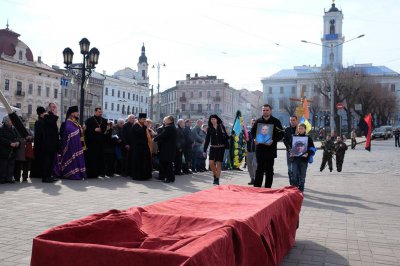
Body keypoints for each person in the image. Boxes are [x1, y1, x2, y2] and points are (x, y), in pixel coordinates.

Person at [251, 104, 284, 188]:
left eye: (267, 110)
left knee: (269, 170)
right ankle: (257, 187)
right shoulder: (258, 121)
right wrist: (255, 139)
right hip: (260, 149)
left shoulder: (276, 121)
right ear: (262, 111)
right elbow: (252, 132)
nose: (265, 112)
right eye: (263, 110)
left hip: (270, 149)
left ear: (270, 111)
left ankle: (268, 188)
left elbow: (281, 134)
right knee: (259, 169)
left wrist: (273, 140)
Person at [56, 106, 86, 180]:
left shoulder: (75, 122)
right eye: (76, 112)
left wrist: (82, 129)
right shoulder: (69, 122)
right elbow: (70, 130)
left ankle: (78, 173)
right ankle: (71, 174)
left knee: (77, 158)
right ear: (72, 114)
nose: (78, 113)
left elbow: (77, 130)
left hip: (76, 145)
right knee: (71, 158)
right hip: (70, 145)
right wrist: (78, 130)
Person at [203, 114, 229, 185]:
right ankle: (215, 176)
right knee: (211, 163)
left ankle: (216, 179)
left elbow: (226, 136)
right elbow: (207, 139)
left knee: (218, 163)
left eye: (214, 119)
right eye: (211, 119)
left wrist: (227, 134)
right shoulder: (209, 128)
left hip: (221, 147)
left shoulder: (221, 126)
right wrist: (204, 150)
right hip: (212, 147)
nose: (212, 120)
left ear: (217, 119)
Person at [289, 123, 315, 192]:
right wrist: (290, 152)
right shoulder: (294, 137)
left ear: (305, 129)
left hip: (304, 159)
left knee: (302, 176)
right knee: (294, 174)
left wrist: (308, 153)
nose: (300, 130)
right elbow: (290, 147)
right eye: (299, 128)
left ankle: (301, 190)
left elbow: (312, 149)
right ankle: (295, 189)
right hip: (295, 159)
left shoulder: (308, 138)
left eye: (301, 128)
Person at [84, 107, 107, 178]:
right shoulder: (89, 120)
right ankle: (92, 173)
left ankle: (101, 172)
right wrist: (94, 129)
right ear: (95, 112)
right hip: (92, 143)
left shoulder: (104, 120)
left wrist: (101, 130)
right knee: (92, 158)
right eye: (99, 112)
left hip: (101, 142)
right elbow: (86, 131)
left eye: (101, 112)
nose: (100, 113)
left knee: (101, 158)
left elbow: (105, 130)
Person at [128, 113, 152, 180]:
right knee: (139, 162)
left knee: (145, 161)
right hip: (138, 148)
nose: (144, 120)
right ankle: (138, 176)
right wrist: (144, 126)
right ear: (139, 119)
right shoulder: (136, 126)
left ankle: (145, 176)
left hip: (144, 147)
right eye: (143, 119)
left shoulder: (143, 126)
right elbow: (139, 133)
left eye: (145, 119)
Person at [154, 116, 177, 183]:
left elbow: (162, 135)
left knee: (167, 164)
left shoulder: (169, 127)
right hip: (168, 149)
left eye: (165, 119)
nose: (164, 120)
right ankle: (166, 177)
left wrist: (155, 139)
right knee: (165, 163)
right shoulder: (172, 127)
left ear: (170, 120)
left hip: (167, 149)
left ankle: (169, 178)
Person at [41, 103, 59, 183]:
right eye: (52, 107)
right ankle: (45, 177)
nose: (54, 108)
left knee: (51, 161)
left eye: (55, 107)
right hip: (48, 144)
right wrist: (55, 115)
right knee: (47, 161)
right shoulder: (46, 116)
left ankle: (49, 176)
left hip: (53, 143)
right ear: (49, 108)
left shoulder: (52, 116)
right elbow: (51, 122)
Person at [0, 116, 20, 184]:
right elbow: (1, 138)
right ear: (6, 121)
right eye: (10, 120)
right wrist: (10, 143)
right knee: (3, 165)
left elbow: (17, 137)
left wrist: (18, 142)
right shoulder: (2, 129)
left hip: (13, 150)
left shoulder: (13, 128)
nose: (11, 122)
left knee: (11, 164)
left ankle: (9, 178)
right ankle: (2, 178)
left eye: (11, 120)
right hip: (4, 150)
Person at [30, 106, 46, 178]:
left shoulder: (40, 121)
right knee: (39, 159)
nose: (45, 114)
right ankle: (37, 174)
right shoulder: (39, 122)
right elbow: (40, 134)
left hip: (39, 144)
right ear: (41, 114)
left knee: (39, 159)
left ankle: (37, 173)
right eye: (43, 112)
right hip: (40, 144)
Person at [283, 115, 298, 186]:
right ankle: (291, 184)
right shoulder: (287, 129)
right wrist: (289, 148)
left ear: (296, 121)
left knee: (297, 168)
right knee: (290, 168)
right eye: (291, 120)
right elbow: (284, 140)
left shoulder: (300, 128)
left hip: (299, 152)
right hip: (289, 151)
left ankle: (297, 183)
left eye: (293, 120)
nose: (292, 121)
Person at [246, 119, 257, 185]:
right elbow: (246, 141)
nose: (253, 124)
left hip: (256, 151)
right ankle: (252, 178)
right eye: (252, 123)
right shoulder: (248, 132)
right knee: (249, 166)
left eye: (254, 123)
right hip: (249, 151)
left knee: (254, 164)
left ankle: (256, 178)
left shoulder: (259, 132)